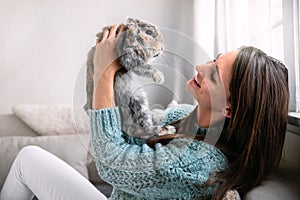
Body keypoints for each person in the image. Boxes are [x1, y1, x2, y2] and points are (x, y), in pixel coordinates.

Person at [0, 24, 289, 200]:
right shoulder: (185, 116)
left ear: (229, 108)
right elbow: (133, 138)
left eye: (214, 74)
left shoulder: (199, 165)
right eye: (214, 60)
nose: (201, 67)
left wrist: (103, 72)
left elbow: (111, 164)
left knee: (29, 158)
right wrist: (121, 71)